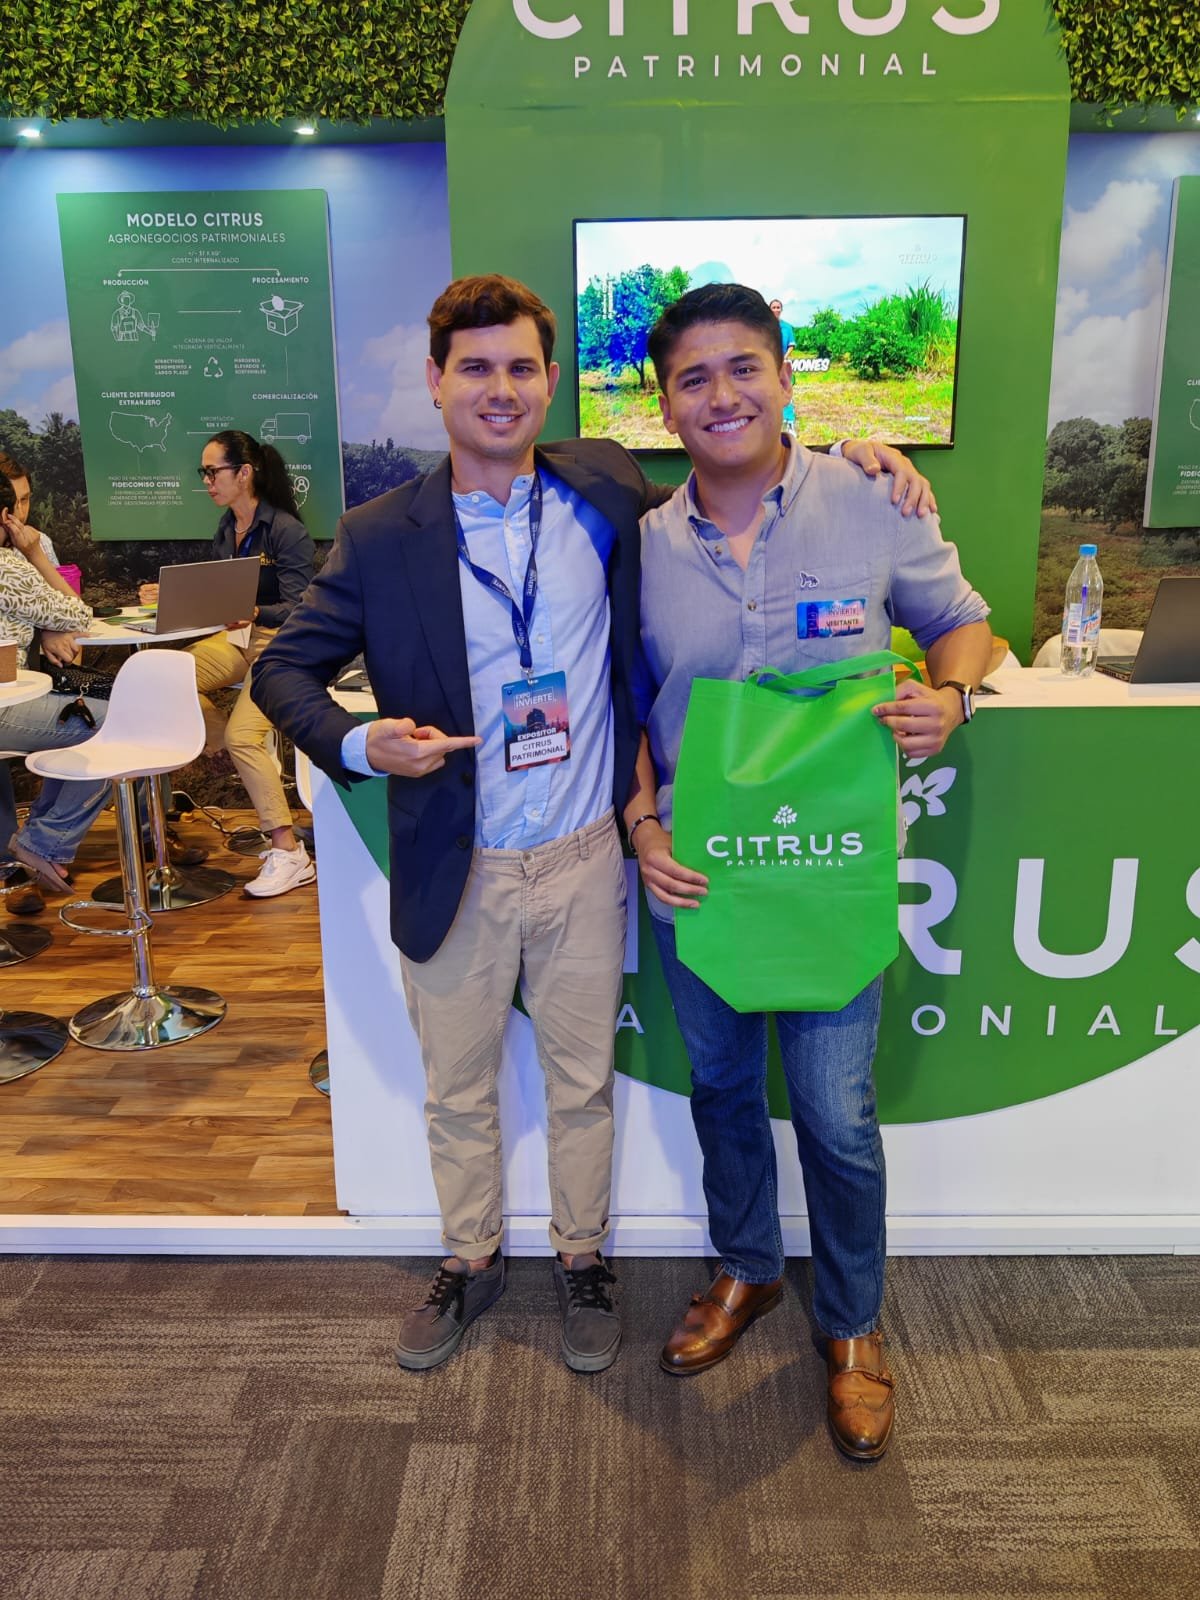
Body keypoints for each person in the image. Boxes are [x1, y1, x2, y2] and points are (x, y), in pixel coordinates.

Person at [252, 273, 935, 1378]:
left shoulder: (604, 488)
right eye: (476, 367)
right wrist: (360, 743)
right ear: (436, 381)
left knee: (583, 1088)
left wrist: (860, 455)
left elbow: (734, 470)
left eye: (521, 367)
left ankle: (584, 1260)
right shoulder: (380, 535)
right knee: (457, 1091)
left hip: (583, 858)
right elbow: (282, 669)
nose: (501, 389)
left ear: (551, 381)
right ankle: (469, 1260)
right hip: (460, 859)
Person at [623, 283, 992, 1459]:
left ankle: (852, 1322)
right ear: (664, 406)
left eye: (745, 367)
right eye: (693, 378)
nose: (722, 394)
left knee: (837, 1115)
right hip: (703, 879)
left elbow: (962, 620)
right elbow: (630, 705)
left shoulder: (873, 498)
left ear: (786, 377)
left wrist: (952, 695)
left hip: (828, 870)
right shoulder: (640, 545)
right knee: (724, 1093)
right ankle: (747, 1266)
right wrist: (643, 824)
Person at [140, 431, 316, 897]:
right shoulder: (225, 529)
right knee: (167, 678)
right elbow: (219, 595)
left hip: (282, 643)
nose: (207, 481)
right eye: (204, 472)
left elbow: (302, 607)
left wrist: (256, 611)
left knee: (245, 735)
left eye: (213, 471)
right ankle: (219, 745)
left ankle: (290, 853)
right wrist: (169, 595)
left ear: (244, 473)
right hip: (237, 639)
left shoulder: (286, 530)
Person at [0, 470, 112, 898]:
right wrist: (34, 555)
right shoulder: (8, 566)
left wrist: (45, 626)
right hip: (6, 705)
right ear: (7, 516)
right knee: (117, 724)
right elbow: (78, 614)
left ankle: (38, 841)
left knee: (77, 728)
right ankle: (43, 842)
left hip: (16, 698)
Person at [768, 298, 798, 436]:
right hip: (769, 363)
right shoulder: (765, 327)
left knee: (785, 391)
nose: (776, 310)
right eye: (773, 307)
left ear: (781, 309)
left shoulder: (787, 327)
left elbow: (791, 345)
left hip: (783, 364)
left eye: (778, 307)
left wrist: (784, 357)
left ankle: (789, 422)